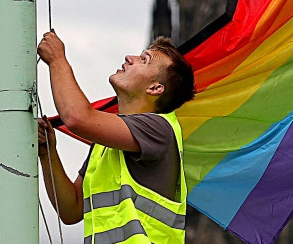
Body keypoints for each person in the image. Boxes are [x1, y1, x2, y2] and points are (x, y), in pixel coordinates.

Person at [36, 30, 196, 244]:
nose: (129, 58)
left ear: (155, 88)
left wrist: (57, 60)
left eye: (143, 60)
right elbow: (72, 209)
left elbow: (76, 118)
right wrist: (48, 154)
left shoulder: (159, 128)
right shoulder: (108, 143)